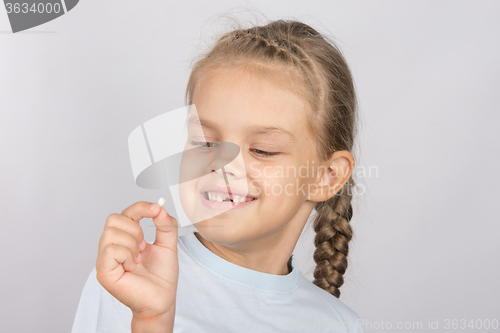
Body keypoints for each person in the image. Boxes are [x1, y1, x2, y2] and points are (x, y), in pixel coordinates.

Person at [71, 18, 365, 333]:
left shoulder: (340, 326)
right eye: (206, 143)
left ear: (327, 176)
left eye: (262, 150)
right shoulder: (131, 278)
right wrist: (151, 322)